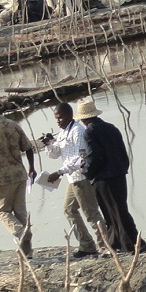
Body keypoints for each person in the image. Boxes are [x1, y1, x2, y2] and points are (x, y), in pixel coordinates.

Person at [78, 97, 145, 253]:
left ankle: (135, 244)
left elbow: (95, 156)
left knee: (113, 212)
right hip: (119, 173)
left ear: (84, 118)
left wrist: (87, 171)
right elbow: (120, 151)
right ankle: (116, 243)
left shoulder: (90, 131)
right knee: (117, 209)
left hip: (104, 177)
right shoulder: (111, 127)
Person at [41, 102, 104, 258]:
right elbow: (55, 154)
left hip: (81, 177)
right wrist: (48, 143)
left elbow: (79, 158)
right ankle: (87, 244)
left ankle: (106, 244)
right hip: (72, 178)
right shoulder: (63, 132)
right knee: (69, 210)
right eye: (56, 118)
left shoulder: (78, 131)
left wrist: (60, 172)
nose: (58, 121)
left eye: (60, 117)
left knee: (91, 213)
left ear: (69, 115)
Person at [0, 97, 36, 257]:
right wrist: (32, 167)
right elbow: (29, 148)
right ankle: (28, 251)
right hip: (19, 173)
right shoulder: (14, 125)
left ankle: (21, 232)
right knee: (20, 211)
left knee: (2, 211)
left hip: (2, 177)